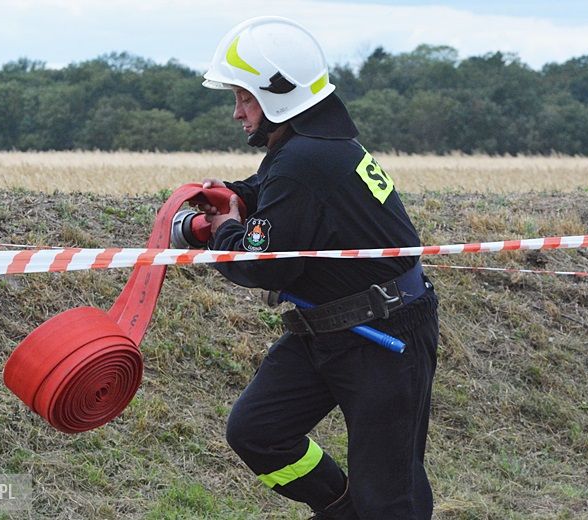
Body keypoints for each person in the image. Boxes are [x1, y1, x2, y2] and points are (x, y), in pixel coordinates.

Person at [196, 16, 439, 519]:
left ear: (278, 95)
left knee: (389, 496)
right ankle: (342, 509)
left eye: (244, 98)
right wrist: (228, 197)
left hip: (385, 335)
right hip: (329, 328)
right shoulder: (306, 147)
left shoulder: (305, 159)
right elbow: (268, 191)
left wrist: (223, 231)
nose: (237, 112)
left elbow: (265, 267)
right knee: (258, 431)